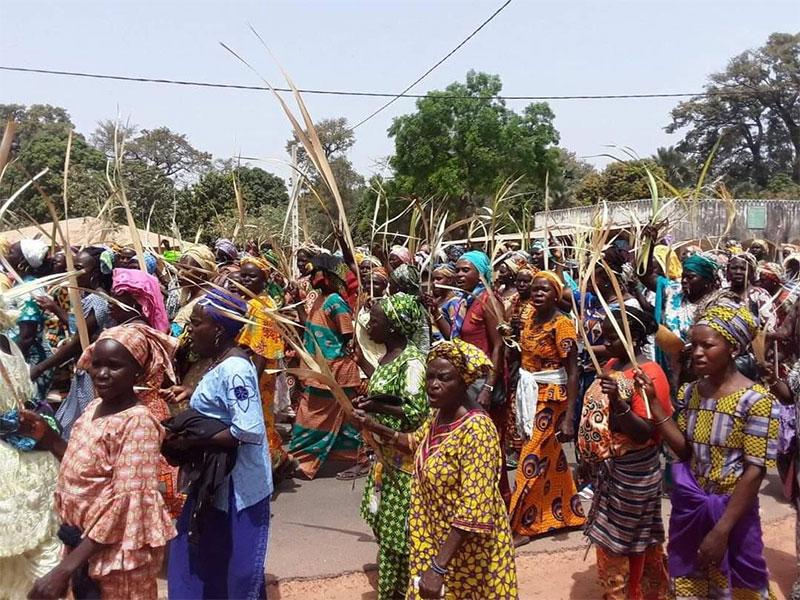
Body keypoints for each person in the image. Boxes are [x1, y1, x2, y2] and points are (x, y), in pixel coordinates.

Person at [353, 339, 517, 600]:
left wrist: (439, 567)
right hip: (434, 542)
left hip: (467, 556)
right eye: (429, 377)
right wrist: (373, 425)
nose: (433, 385)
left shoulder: (477, 431)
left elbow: (474, 510)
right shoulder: (438, 414)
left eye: (444, 378)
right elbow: (413, 442)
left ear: (463, 382)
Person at [29, 327, 176, 599]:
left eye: (115, 366)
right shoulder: (93, 408)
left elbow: (126, 504)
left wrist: (63, 570)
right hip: (83, 546)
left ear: (136, 371)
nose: (102, 373)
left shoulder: (137, 422)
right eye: (97, 364)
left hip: (116, 557)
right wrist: (47, 438)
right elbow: (84, 464)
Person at [648, 302, 780, 599]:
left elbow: (754, 470)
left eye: (707, 345)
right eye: (694, 345)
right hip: (692, 510)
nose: (697, 352)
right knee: (689, 582)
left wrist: (721, 531)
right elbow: (684, 452)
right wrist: (654, 404)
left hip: (732, 513)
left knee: (738, 584)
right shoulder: (691, 392)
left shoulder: (756, 401)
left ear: (732, 348)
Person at [167, 290, 271, 599]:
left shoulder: (235, 368)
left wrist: (192, 439)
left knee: (239, 570)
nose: (190, 330)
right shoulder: (221, 362)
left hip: (240, 487)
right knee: (209, 560)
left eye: (196, 323)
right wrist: (191, 393)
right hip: (216, 484)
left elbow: (248, 428)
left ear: (218, 330)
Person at [578, 307, 672, 600]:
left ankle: (628, 593)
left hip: (634, 475)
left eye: (611, 339)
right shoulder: (616, 364)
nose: (605, 345)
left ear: (632, 337)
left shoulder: (649, 374)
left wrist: (618, 402)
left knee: (623, 542)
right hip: (612, 472)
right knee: (628, 541)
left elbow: (644, 431)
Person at [354, 293, 429, 600]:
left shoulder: (412, 363)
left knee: (402, 535)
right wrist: (372, 399)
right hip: (387, 459)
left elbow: (415, 410)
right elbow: (389, 394)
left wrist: (377, 412)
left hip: (404, 463)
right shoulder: (387, 357)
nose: (369, 325)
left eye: (375, 320)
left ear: (395, 327)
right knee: (388, 530)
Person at [508, 271, 585, 543]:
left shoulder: (562, 325)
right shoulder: (528, 316)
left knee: (529, 458)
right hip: (528, 392)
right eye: (535, 289)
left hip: (552, 397)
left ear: (555, 294)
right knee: (550, 457)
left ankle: (519, 526)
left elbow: (573, 371)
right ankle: (568, 514)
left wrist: (569, 419)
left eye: (545, 290)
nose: (538, 294)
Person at [0, 311, 62, 599]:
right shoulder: (9, 344)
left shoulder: (9, 345)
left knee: (35, 559)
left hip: (23, 467)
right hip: (25, 462)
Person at [288, 254, 365, 480]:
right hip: (320, 371)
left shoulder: (335, 302)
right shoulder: (320, 299)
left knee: (310, 416)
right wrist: (298, 302)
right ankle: (355, 459)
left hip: (333, 373)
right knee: (346, 419)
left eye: (314, 274)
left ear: (328, 276)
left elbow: (349, 337)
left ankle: (300, 460)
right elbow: (309, 325)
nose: (310, 278)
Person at [37, 247, 113, 438]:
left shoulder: (98, 301)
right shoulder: (88, 298)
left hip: (91, 374)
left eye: (78, 268)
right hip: (83, 371)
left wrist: (40, 368)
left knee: (81, 428)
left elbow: (78, 342)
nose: (72, 273)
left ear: (95, 272)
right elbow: (78, 327)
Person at [236, 256, 292, 477]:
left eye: (253, 276)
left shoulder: (261, 308)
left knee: (258, 419)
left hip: (257, 376)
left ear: (264, 280)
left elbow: (261, 350)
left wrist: (252, 384)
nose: (246, 279)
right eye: (244, 275)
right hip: (253, 373)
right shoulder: (252, 302)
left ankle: (271, 465)